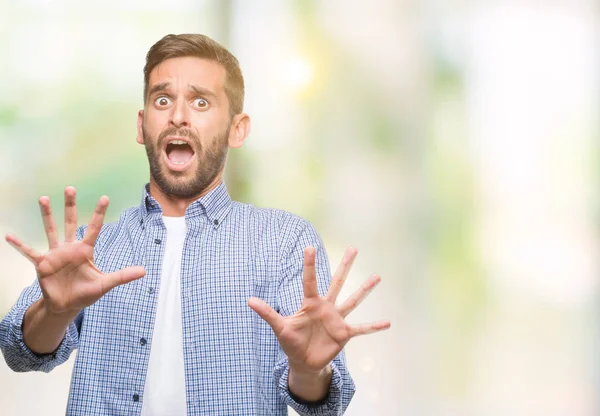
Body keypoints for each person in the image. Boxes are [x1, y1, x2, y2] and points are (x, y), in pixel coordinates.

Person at [0, 34, 390, 416]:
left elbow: (324, 404)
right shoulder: (91, 248)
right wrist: (53, 312)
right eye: (163, 99)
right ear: (142, 125)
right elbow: (19, 353)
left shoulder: (285, 241)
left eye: (200, 101)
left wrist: (308, 368)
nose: (178, 116)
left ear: (237, 129)